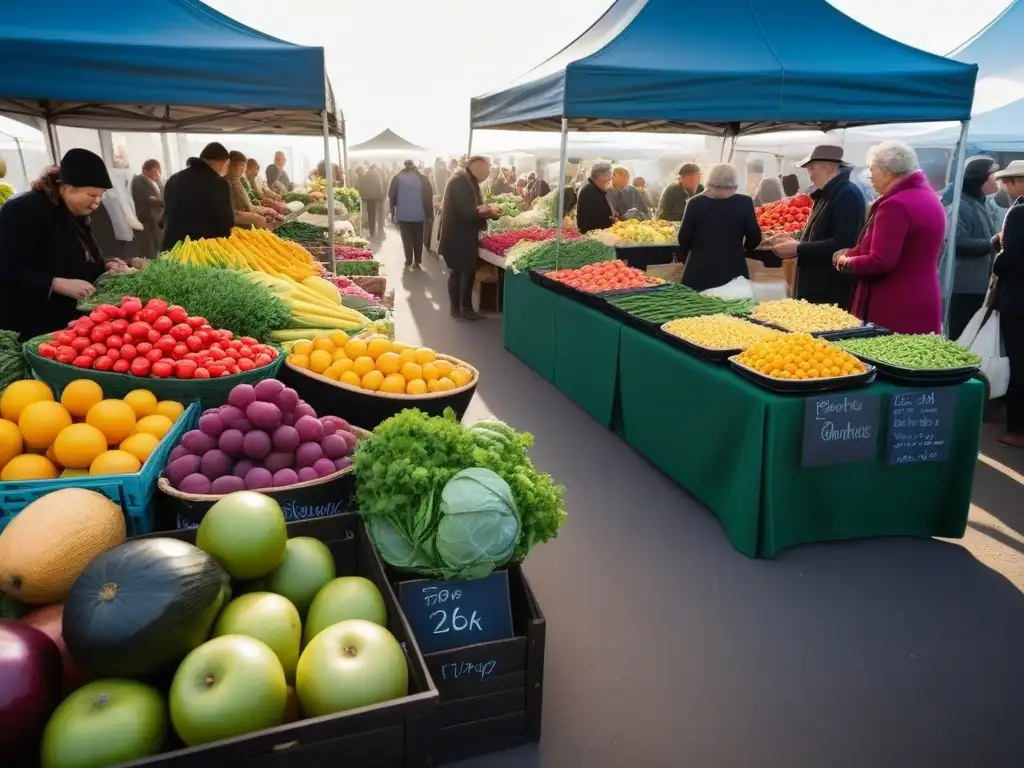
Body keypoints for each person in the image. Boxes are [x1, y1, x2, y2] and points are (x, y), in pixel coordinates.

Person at [833, 141, 945, 334]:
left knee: (888, 359)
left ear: (887, 171)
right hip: (924, 296)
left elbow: (880, 261)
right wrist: (855, 252)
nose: (869, 176)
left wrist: (845, 261)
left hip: (893, 303)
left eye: (872, 169)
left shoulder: (895, 205)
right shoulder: (929, 198)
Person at [0, 149, 113, 340]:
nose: (97, 202)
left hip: (71, 320)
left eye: (102, 196)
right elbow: (6, 268)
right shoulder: (22, 210)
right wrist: (54, 283)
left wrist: (106, 265)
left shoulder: (75, 211)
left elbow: (81, 252)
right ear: (67, 188)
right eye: (91, 195)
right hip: (33, 323)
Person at [773, 145, 865, 309]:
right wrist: (793, 238)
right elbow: (817, 232)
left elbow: (843, 243)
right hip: (817, 284)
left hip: (829, 288)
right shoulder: (826, 194)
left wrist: (799, 248)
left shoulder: (847, 194)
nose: (811, 177)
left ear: (830, 168)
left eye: (812, 169)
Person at [941, 156, 1001, 340]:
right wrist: (991, 242)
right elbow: (955, 242)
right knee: (959, 338)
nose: (997, 180)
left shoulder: (983, 203)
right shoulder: (958, 205)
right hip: (962, 286)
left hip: (980, 285)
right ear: (981, 178)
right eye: (994, 175)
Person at [676, 164, 762, 291]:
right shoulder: (744, 203)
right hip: (733, 270)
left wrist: (696, 250)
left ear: (709, 182)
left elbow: (683, 238)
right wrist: (743, 248)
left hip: (698, 272)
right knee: (734, 308)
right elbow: (754, 237)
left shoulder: (695, 203)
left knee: (698, 308)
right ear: (735, 185)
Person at [439, 155, 499, 320]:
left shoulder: (467, 179)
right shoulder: (460, 181)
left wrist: (486, 211)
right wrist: (488, 212)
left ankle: (462, 308)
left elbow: (473, 208)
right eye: (486, 170)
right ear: (476, 167)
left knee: (464, 272)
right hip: (458, 236)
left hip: (463, 235)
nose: (488, 174)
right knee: (460, 272)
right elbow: (467, 212)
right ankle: (460, 309)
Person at [990, 161, 1024, 447]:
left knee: (1018, 363)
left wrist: (998, 254)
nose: (1006, 188)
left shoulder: (1019, 213)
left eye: (1010, 182)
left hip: (1018, 301)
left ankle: (1017, 428)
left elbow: (1008, 260)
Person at [161, 142, 235, 250]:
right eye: (227, 165)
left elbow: (166, 214)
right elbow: (225, 221)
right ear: (223, 162)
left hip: (171, 246)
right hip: (200, 250)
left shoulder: (174, 178)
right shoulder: (219, 183)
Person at [388, 160, 433, 267]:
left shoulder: (397, 178)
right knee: (418, 237)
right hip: (419, 214)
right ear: (414, 167)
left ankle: (408, 259)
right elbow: (428, 197)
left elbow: (391, 195)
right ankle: (417, 260)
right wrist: (429, 214)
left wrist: (392, 211)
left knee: (406, 238)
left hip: (403, 214)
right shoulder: (423, 179)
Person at [130, 159, 163, 260]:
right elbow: (146, 199)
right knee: (150, 249)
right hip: (147, 219)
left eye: (158, 171)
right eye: (154, 171)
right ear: (146, 170)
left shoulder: (156, 181)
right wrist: (159, 200)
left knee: (159, 246)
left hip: (158, 219)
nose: (157, 174)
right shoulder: (139, 181)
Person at [226, 151, 268, 229]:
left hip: (248, 221)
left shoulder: (237, 181)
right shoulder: (226, 184)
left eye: (244, 166)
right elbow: (240, 211)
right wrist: (258, 215)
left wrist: (263, 210)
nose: (243, 170)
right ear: (229, 165)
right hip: (240, 226)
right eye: (241, 165)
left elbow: (248, 206)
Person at [576, 163, 617, 234]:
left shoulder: (599, 189)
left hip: (601, 233)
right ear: (601, 176)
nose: (611, 178)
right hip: (593, 235)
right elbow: (586, 218)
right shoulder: (588, 191)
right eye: (609, 174)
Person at [357, 164, 385, 237]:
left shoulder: (365, 175)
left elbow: (362, 186)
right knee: (376, 213)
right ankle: (379, 226)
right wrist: (380, 195)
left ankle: (371, 230)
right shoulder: (377, 175)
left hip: (368, 198)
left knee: (370, 214)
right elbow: (380, 186)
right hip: (376, 197)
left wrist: (363, 196)